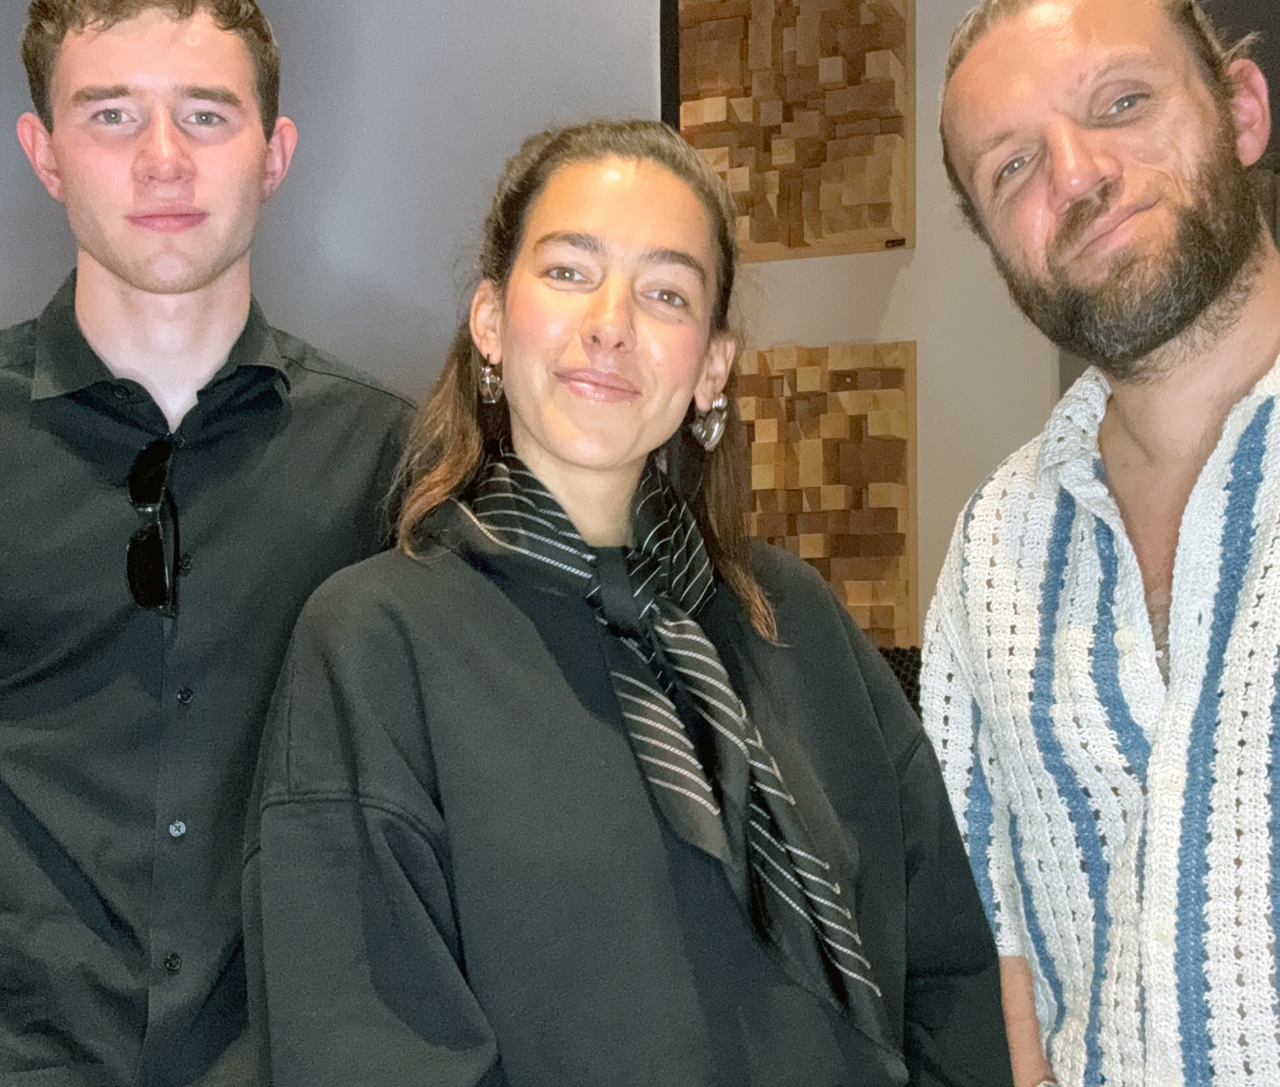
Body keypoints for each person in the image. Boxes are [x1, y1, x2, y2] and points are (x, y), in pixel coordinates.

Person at [243, 119, 1012, 1087]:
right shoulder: (374, 641)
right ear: (491, 320)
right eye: (569, 271)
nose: (610, 322)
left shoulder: (792, 618)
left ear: (711, 366)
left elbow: (948, 973)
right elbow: (362, 1040)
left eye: (665, 292)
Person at [0, 0, 413, 1085]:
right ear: (44, 154)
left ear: (274, 155)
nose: (163, 159)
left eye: (206, 114)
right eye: (112, 114)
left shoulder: (393, 461)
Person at [920, 0, 1280, 1087]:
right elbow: (993, 936)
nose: (1076, 173)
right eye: (1012, 165)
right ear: (996, 247)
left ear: (1239, 111)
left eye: (1121, 102)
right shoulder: (992, 550)